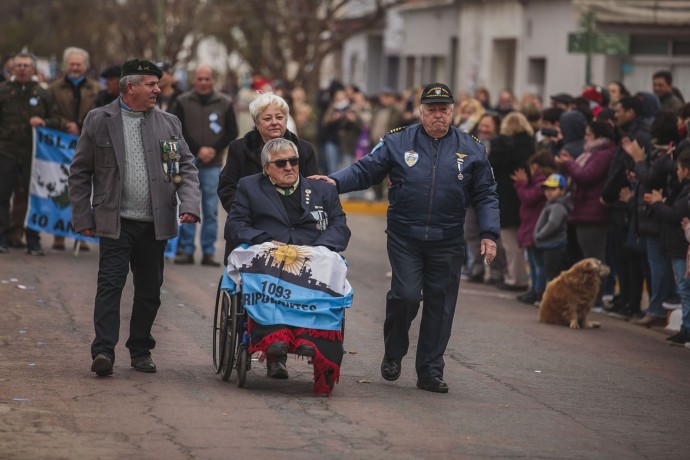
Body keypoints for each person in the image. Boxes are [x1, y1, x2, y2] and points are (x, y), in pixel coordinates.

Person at [313, 82, 500, 393]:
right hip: (405, 236)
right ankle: (394, 351)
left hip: (448, 239)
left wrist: (489, 233)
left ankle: (429, 371)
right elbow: (364, 170)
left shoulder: (471, 148)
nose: (438, 115)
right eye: (431, 110)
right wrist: (332, 182)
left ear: (452, 112)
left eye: (443, 110)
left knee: (440, 305)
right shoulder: (397, 142)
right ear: (421, 112)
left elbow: (487, 194)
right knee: (406, 296)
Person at [68, 59, 201, 377]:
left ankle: (140, 349)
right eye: (151, 84)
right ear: (130, 87)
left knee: (150, 290)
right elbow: (80, 172)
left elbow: (182, 167)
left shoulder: (168, 123)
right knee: (110, 285)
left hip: (155, 222)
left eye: (159, 84)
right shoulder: (99, 119)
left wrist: (190, 203)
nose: (158, 89)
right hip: (115, 220)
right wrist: (82, 215)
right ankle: (103, 351)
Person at [226, 138, 350, 394]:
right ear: (265, 168)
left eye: (294, 161)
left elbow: (340, 226)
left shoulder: (322, 190)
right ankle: (276, 334)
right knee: (265, 258)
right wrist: (265, 241)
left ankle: (310, 338)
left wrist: (321, 247)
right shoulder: (249, 187)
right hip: (270, 249)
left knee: (329, 262)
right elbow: (235, 225)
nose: (289, 167)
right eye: (280, 163)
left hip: (312, 251)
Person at [173, 65, 238, 266]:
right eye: (199, 79)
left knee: (210, 208)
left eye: (206, 79)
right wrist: (197, 148)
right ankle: (186, 249)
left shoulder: (225, 102)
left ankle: (209, 251)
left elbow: (231, 131)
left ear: (212, 81)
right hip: (188, 160)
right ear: (194, 80)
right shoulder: (182, 101)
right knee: (188, 206)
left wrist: (213, 149)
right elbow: (177, 129)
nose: (203, 82)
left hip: (213, 163)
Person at [0, 52, 61, 255]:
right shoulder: (3, 91)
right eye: (19, 65)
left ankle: (33, 240)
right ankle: (3, 238)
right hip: (6, 151)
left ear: (34, 69)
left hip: (34, 155)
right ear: (12, 68)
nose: (23, 69)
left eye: (27, 65)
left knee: (33, 197)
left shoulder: (43, 93)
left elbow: (56, 120)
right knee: (2, 196)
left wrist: (44, 122)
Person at [49, 46, 101, 252]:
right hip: (61, 145)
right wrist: (65, 125)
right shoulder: (53, 89)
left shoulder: (97, 89)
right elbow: (50, 112)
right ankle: (59, 235)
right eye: (72, 64)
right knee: (59, 187)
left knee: (87, 190)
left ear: (85, 66)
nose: (75, 67)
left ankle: (84, 235)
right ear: (66, 65)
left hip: (87, 143)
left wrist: (84, 126)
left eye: (79, 64)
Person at [645, 149, 690, 346]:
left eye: (679, 168)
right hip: (679, 245)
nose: (677, 172)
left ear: (686, 170)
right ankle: (686, 327)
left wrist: (657, 204)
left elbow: (675, 215)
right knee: (684, 287)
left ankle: (687, 328)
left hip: (682, 247)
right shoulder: (683, 189)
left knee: (685, 287)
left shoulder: (687, 191)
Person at [489, 111, 535, 291]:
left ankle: (516, 278)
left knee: (510, 241)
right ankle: (517, 275)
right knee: (518, 239)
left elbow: (490, 166)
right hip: (523, 197)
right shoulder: (530, 146)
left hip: (506, 196)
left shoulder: (501, 145)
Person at [512, 151, 558, 305]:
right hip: (531, 225)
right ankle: (533, 290)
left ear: (535, 166)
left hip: (535, 226)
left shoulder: (543, 181)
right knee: (532, 262)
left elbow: (529, 197)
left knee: (538, 263)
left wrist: (521, 184)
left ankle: (539, 292)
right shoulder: (540, 180)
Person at [533, 174, 572, 282]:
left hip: (554, 245)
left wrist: (539, 235)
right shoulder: (551, 204)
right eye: (547, 188)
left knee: (553, 276)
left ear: (562, 191)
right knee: (550, 274)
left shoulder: (558, 206)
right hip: (549, 244)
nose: (548, 191)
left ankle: (554, 298)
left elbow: (553, 224)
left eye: (553, 188)